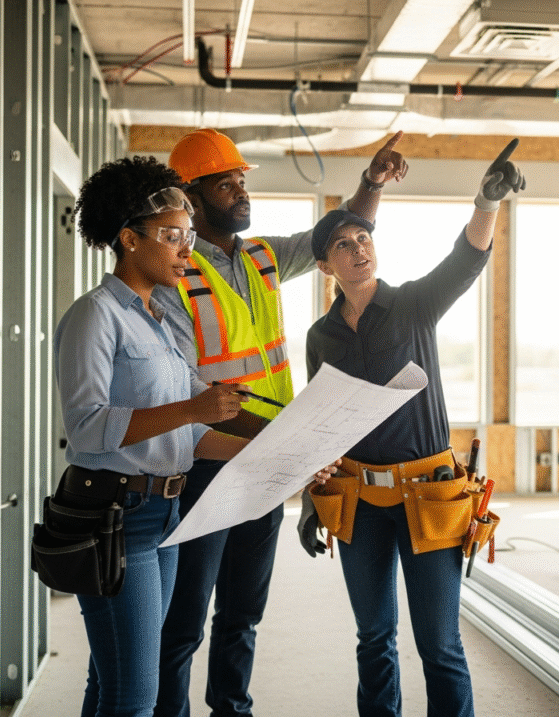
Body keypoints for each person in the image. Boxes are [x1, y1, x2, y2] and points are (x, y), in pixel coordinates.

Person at [53, 155, 336, 717]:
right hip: (115, 514)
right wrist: (192, 406)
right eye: (173, 236)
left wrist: (287, 463)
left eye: (188, 235)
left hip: (163, 512)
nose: (187, 249)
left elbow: (193, 437)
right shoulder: (95, 316)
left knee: (112, 682)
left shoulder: (159, 321)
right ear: (130, 239)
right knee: (135, 695)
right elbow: (86, 426)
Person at [153, 128, 408, 717]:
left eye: (243, 181)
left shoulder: (265, 256)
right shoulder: (178, 274)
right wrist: (273, 438)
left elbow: (334, 236)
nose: (242, 193)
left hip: (268, 464)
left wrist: (371, 185)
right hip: (209, 462)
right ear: (191, 197)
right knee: (184, 618)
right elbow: (182, 384)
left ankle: (231, 709)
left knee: (242, 612)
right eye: (227, 184)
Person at [299, 139, 526, 717]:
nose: (358, 250)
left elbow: (465, 260)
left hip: (430, 495)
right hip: (358, 502)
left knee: (439, 644)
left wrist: (487, 203)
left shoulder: (412, 306)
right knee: (374, 639)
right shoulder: (320, 338)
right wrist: (309, 499)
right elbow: (320, 425)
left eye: (364, 239)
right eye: (344, 246)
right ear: (325, 265)